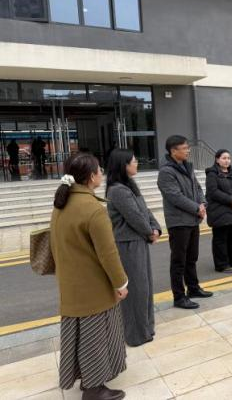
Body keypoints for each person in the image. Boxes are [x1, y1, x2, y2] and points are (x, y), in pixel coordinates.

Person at [50, 153, 128, 400]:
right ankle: (94, 389)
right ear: (92, 176)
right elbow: (108, 253)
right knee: (95, 338)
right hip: (93, 286)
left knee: (79, 337)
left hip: (71, 284)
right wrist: (121, 283)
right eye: (99, 170)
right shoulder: (93, 209)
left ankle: (87, 380)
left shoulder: (61, 203)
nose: (101, 173)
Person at [106, 149, 161, 347]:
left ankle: (145, 328)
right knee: (136, 289)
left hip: (138, 240)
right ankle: (136, 334)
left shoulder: (128, 185)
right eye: (134, 161)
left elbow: (144, 210)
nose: (137, 163)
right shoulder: (117, 190)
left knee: (144, 287)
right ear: (124, 165)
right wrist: (149, 232)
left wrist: (155, 228)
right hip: (128, 244)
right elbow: (134, 216)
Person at [157, 135, 212, 310]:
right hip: (179, 222)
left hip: (193, 219)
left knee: (191, 257)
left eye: (188, 147)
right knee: (179, 261)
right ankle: (179, 297)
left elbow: (198, 188)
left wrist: (202, 203)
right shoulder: (166, 172)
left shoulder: (187, 167)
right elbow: (175, 196)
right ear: (173, 151)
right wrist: (196, 208)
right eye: (185, 148)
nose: (188, 150)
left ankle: (193, 288)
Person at [205, 149, 232, 274]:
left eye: (228, 158)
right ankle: (222, 264)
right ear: (217, 159)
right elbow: (213, 192)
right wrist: (231, 201)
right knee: (220, 239)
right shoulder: (212, 174)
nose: (227, 161)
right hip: (220, 211)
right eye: (224, 158)